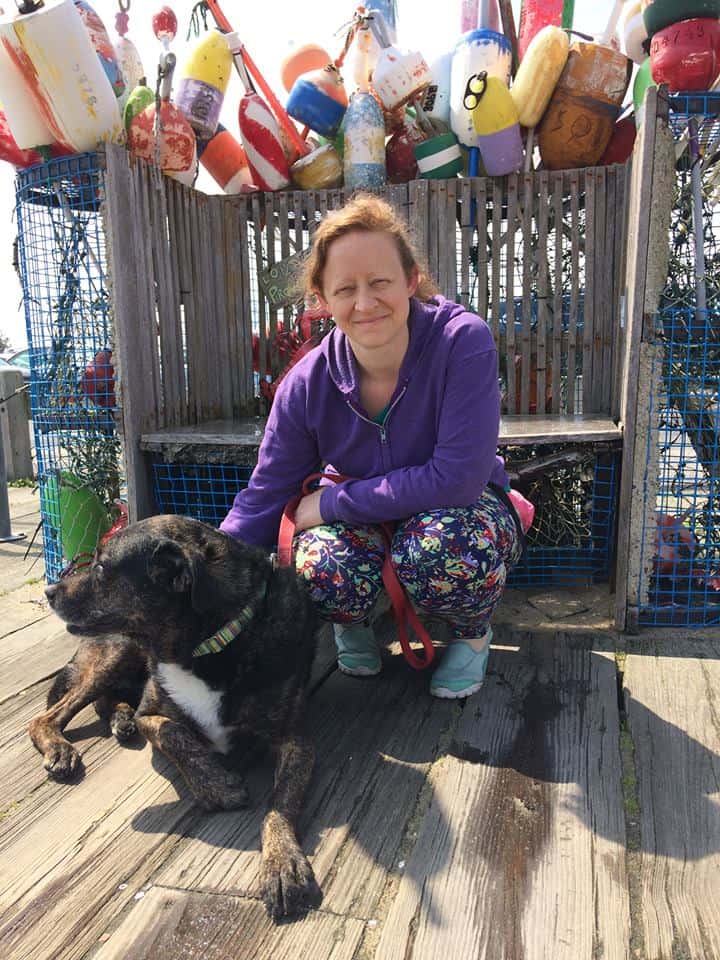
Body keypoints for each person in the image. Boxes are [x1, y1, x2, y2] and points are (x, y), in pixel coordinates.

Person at [220, 193, 524, 698]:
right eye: (346, 288)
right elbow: (266, 494)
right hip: (366, 525)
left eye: (380, 282)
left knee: (443, 546)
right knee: (313, 562)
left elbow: (458, 479)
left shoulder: (463, 342)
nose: (365, 303)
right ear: (321, 298)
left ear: (410, 280)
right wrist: (211, 567)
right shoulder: (306, 383)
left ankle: (471, 637)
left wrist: (334, 501)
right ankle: (352, 624)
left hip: (462, 512)